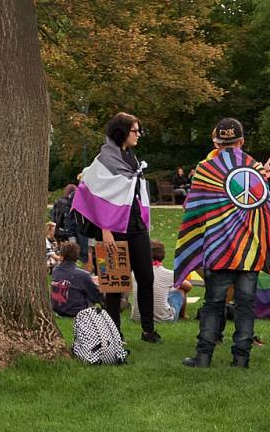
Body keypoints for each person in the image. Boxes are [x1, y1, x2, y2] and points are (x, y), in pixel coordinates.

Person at [179, 118, 270, 369]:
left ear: (216, 142)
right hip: (249, 248)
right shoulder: (254, 168)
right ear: (242, 141)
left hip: (218, 248)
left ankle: (203, 357)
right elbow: (265, 209)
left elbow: (193, 207)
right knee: (245, 305)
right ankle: (241, 358)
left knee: (213, 303)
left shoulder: (205, 168)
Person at [71, 113, 160, 344]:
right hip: (112, 230)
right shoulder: (103, 160)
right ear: (123, 132)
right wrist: (105, 231)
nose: (138, 135)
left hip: (136, 226)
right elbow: (92, 193)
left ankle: (148, 330)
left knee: (146, 277)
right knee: (114, 284)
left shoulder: (131, 158)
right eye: (135, 131)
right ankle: (114, 333)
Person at [50, 241, 104, 317]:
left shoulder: (55, 270)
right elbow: (96, 297)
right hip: (76, 311)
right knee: (93, 290)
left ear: (62, 256)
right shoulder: (83, 275)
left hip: (57, 308)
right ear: (77, 257)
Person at [150, 241, 179, 322]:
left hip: (138, 317)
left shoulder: (135, 273)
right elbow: (188, 286)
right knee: (179, 290)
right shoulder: (169, 274)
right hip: (163, 318)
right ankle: (183, 315)